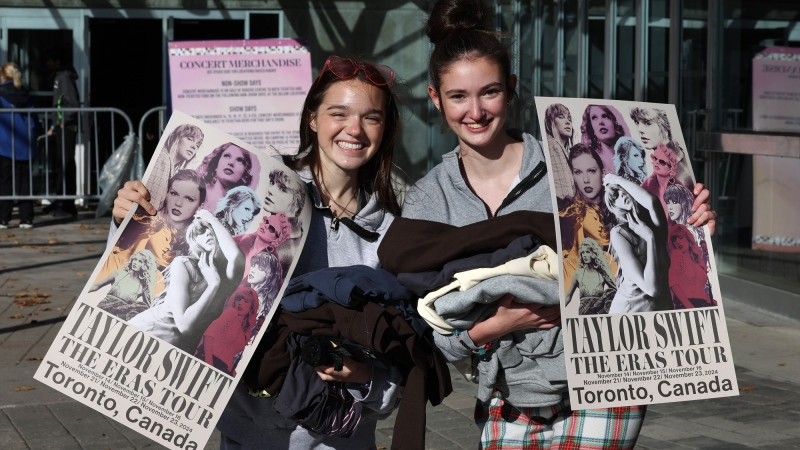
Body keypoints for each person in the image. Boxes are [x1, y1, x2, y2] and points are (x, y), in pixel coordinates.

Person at [403, 0, 716, 447]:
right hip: (504, 395)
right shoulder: (428, 200)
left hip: (603, 383)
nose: (475, 110)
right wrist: (495, 326)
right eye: (457, 96)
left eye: (489, 92)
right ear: (435, 98)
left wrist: (690, 227)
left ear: (511, 89)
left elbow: (643, 259)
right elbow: (424, 333)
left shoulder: (569, 169)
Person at [111, 53, 407, 449]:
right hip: (246, 434)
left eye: (371, 117)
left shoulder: (392, 231)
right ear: (313, 119)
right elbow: (155, 267)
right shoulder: (262, 197)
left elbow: (399, 370)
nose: (354, 129)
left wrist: (363, 377)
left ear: (385, 128)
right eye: (339, 113)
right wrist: (129, 221)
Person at [128, 209, 245, 355]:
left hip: (174, 352)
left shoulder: (228, 279)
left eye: (212, 230)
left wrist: (212, 219)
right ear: (194, 240)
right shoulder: (183, 264)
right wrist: (213, 284)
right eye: (201, 231)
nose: (208, 233)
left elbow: (237, 257)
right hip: (144, 333)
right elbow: (184, 325)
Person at [99, 169, 205, 281]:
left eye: (189, 199)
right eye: (174, 193)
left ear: (200, 206)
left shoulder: (199, 246)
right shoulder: (143, 224)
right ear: (167, 194)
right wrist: (119, 223)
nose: (178, 203)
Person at [604, 173, 673, 313]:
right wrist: (649, 238)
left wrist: (617, 180)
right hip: (630, 312)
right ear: (614, 205)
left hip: (661, 310)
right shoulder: (620, 234)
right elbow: (651, 289)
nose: (621, 195)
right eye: (615, 196)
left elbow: (652, 202)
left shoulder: (655, 225)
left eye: (621, 189)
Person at [45, 46, 80, 218]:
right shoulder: (60, 77)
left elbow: (71, 103)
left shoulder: (64, 77)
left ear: (57, 61)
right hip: (61, 126)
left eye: (50, 61)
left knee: (66, 164)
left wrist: (62, 121)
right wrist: (55, 123)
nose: (48, 64)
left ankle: (67, 205)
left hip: (66, 127)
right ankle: (60, 200)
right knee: (61, 164)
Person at [0, 62, 36, 229]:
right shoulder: (26, 94)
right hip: (26, 143)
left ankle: (3, 218)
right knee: (25, 182)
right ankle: (26, 218)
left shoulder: (2, 94)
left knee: (5, 181)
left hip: (6, 143)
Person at [195, 286, 259, 376]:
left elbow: (230, 354)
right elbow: (208, 335)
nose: (240, 303)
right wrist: (209, 364)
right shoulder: (231, 314)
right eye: (238, 299)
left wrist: (233, 374)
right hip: (208, 360)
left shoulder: (246, 330)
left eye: (245, 301)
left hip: (223, 368)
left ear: (251, 307)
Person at [629, 106, 694, 190]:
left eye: (647, 123)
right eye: (636, 122)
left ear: (665, 124)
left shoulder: (673, 172)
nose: (640, 129)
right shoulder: (673, 155)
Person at [147, 123, 204, 210]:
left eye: (197, 145)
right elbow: (150, 207)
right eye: (190, 139)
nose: (194, 147)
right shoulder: (163, 159)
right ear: (176, 137)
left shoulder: (172, 167)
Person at [90, 249, 158, 321]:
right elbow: (96, 286)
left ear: (145, 265)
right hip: (101, 310)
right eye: (135, 259)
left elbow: (148, 307)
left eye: (140, 261)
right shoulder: (119, 274)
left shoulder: (143, 287)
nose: (135, 262)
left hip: (117, 318)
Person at [197, 142, 259, 212]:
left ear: (244, 174)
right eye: (227, 156)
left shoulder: (236, 211)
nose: (231, 163)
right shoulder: (198, 191)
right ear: (216, 163)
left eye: (239, 160)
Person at [667, 223, 715, 310]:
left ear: (688, 238)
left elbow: (700, 286)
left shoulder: (698, 259)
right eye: (674, 240)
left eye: (681, 238)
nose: (677, 242)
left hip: (703, 304)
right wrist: (688, 305)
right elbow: (672, 282)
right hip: (686, 305)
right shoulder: (677, 254)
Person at [564, 237, 616, 315]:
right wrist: (561, 311)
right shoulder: (578, 273)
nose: (585, 255)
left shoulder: (602, 272)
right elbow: (568, 296)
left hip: (600, 313)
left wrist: (605, 302)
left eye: (587, 252)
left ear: (593, 253)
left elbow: (615, 289)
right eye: (583, 252)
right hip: (583, 313)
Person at [580, 103, 628, 174]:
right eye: (594, 118)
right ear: (591, 128)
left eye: (605, 116)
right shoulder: (591, 162)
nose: (600, 122)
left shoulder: (630, 157)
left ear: (615, 122)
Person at [543, 103, 575, 198]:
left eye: (569, 119)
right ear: (551, 122)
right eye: (561, 117)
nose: (568, 122)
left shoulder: (562, 149)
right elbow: (563, 189)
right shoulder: (553, 145)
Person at [641, 143, 683, 216]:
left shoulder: (680, 189)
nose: (657, 162)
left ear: (671, 168)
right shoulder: (645, 187)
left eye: (662, 162)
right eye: (655, 158)